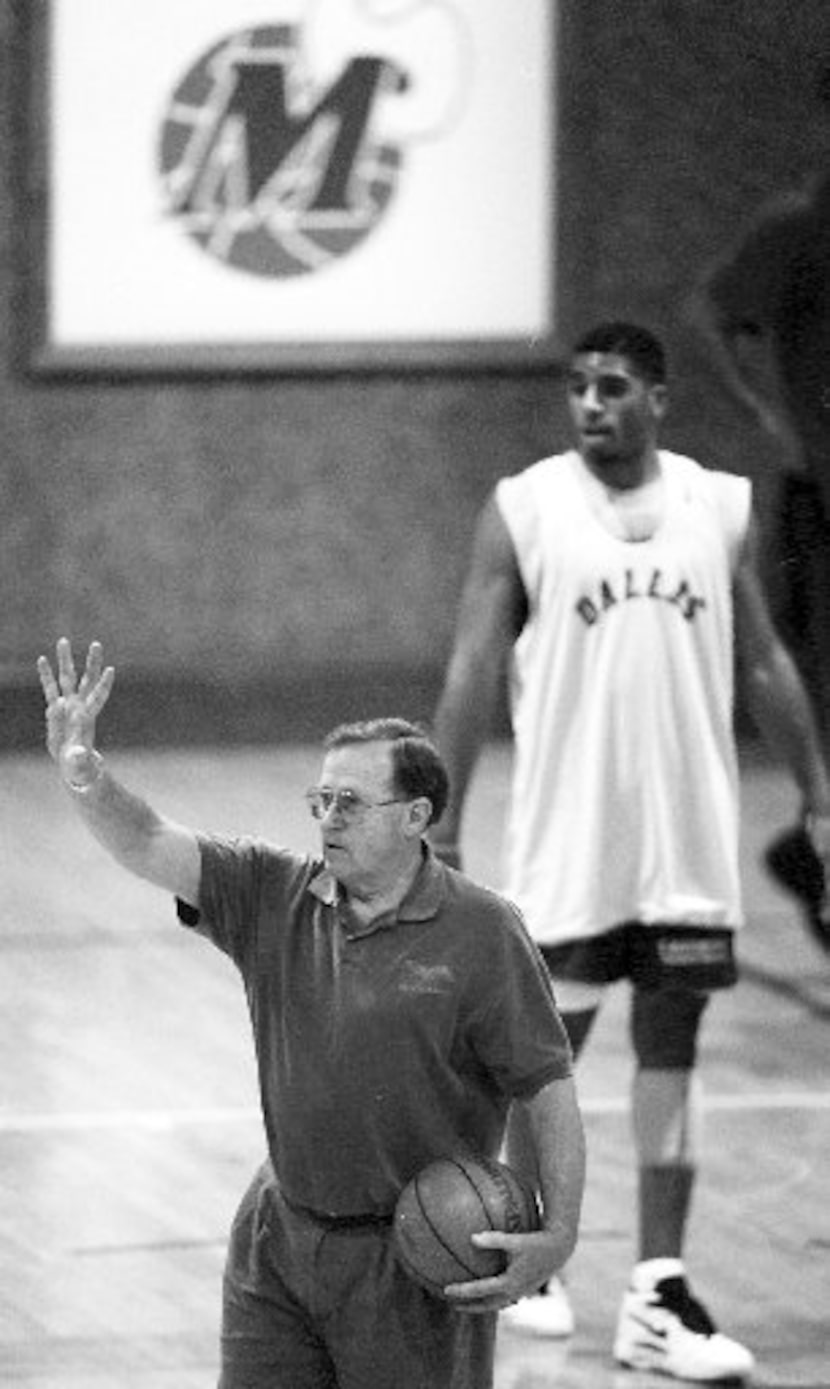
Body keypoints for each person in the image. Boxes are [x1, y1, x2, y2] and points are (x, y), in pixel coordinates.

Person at [431, 321, 830, 1382]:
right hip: (569, 831)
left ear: (658, 397)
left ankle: (656, 1289)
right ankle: (534, 1252)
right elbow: (472, 664)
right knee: (538, 1055)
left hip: (686, 835)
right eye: (574, 387)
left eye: (610, 386)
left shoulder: (718, 505)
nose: (588, 404)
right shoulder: (524, 506)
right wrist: (443, 806)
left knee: (672, 1045)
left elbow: (760, 661)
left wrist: (817, 789)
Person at [37, 637, 585, 1389]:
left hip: (416, 1256)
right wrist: (85, 775)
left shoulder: (485, 931)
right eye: (320, 800)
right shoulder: (273, 891)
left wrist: (557, 1234)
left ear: (416, 815)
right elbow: (149, 840)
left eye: (351, 803)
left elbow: (547, 1087)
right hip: (278, 1241)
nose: (327, 818)